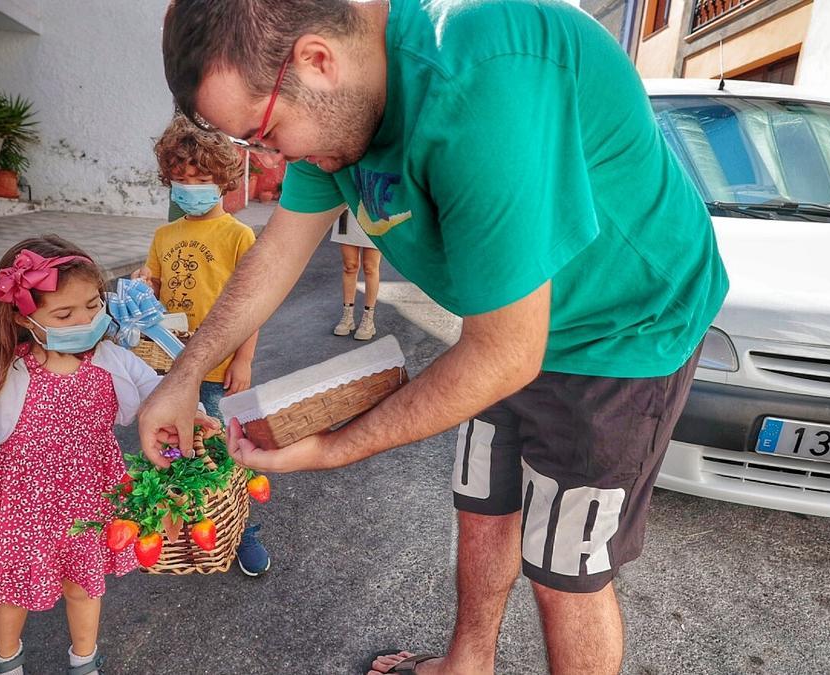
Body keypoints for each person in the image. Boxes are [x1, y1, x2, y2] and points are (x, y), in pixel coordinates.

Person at [147, 1, 730, 673]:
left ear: (316, 59)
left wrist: (334, 448)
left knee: (564, 566)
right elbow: (279, 250)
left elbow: (508, 353)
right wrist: (185, 374)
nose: (279, 157)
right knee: (483, 504)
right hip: (500, 323)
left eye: (265, 133)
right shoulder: (338, 102)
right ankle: (466, 664)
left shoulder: (479, 77)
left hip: (622, 330)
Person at [0, 235, 214, 675]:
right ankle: (6, 660)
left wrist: (187, 410)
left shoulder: (113, 357)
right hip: (27, 500)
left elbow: (158, 391)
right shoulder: (0, 367)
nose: (86, 320)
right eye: (65, 313)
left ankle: (84, 659)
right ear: (24, 317)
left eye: (93, 306)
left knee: (83, 583)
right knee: (14, 586)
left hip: (92, 493)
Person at [132, 114, 270, 576]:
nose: (190, 186)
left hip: (220, 369)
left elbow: (252, 303)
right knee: (179, 452)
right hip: (171, 368)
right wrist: (142, 287)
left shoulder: (237, 235)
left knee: (227, 455)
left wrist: (245, 359)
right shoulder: (164, 235)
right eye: (181, 178)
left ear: (223, 180)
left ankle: (244, 533)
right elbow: (155, 292)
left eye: (201, 178)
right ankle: (195, 531)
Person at [331, 209, 382, 340]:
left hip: (374, 210)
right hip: (346, 210)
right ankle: (347, 317)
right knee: (349, 266)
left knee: (370, 267)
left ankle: (368, 320)